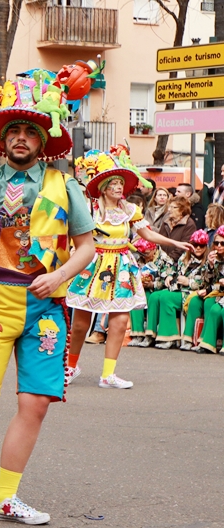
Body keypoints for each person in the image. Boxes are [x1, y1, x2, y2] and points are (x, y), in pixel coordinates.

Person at [0, 70, 99, 526]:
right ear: (4, 139)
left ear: (43, 141)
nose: (22, 138)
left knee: (36, 402)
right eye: (15, 130)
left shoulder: (64, 186)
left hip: (45, 307)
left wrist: (62, 276)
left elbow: (87, 245)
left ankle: (4, 497)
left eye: (32, 131)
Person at [65, 150, 191, 388]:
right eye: (113, 183)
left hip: (121, 267)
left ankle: (108, 375)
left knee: (120, 322)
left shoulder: (130, 210)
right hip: (94, 265)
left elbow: (148, 234)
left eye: (121, 183)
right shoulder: (91, 209)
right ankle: (70, 367)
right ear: (103, 188)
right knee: (81, 322)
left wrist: (174, 242)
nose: (118, 187)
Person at [139, 230, 207, 350]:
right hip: (177, 289)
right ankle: (150, 334)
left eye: (201, 245)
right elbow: (175, 271)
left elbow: (207, 282)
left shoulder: (207, 261)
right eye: (195, 244)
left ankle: (169, 337)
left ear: (206, 246)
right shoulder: (185, 257)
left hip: (191, 293)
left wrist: (189, 282)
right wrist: (170, 276)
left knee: (166, 297)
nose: (198, 248)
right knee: (155, 297)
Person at [194, 229, 224, 353]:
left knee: (217, 309)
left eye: (222, 243)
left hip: (220, 292)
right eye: (216, 243)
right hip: (219, 293)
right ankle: (207, 343)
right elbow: (207, 282)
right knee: (210, 304)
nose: (219, 246)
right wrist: (211, 266)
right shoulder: (215, 257)